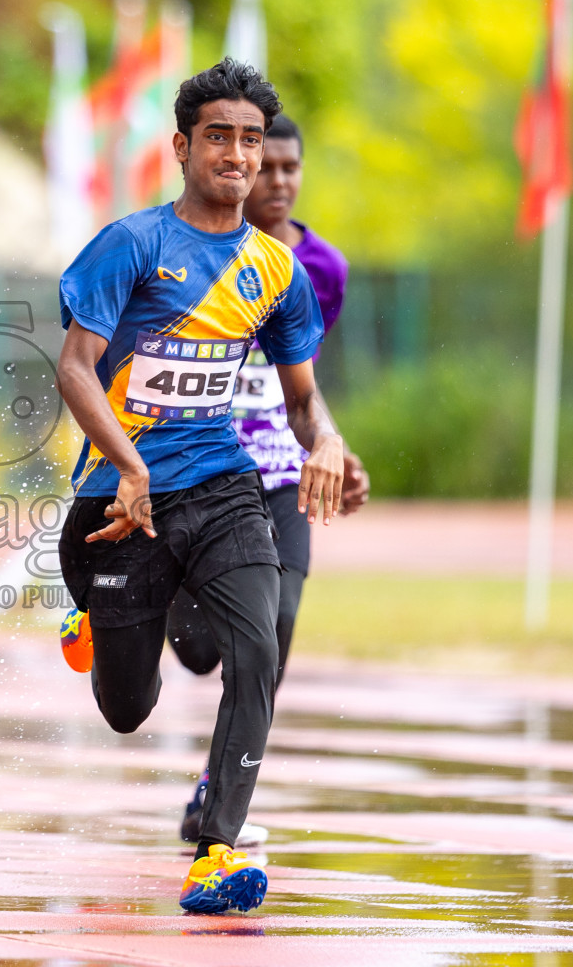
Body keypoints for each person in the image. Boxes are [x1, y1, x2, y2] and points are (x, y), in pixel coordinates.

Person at [56, 59, 345, 915]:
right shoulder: (132, 246)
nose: (238, 153)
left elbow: (300, 398)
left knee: (259, 648)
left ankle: (217, 851)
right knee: (126, 708)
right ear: (182, 146)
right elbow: (74, 369)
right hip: (118, 501)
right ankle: (92, 623)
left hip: (223, 485)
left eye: (250, 139)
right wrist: (132, 466)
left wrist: (325, 441)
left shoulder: (278, 272)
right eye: (218, 136)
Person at [168, 115, 371, 847]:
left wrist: (332, 447)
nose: (277, 181)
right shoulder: (186, 255)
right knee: (198, 650)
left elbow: (301, 384)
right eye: (266, 166)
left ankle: (218, 794)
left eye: (291, 168)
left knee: (275, 628)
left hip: (281, 475)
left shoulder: (324, 271)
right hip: (197, 472)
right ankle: (150, 595)